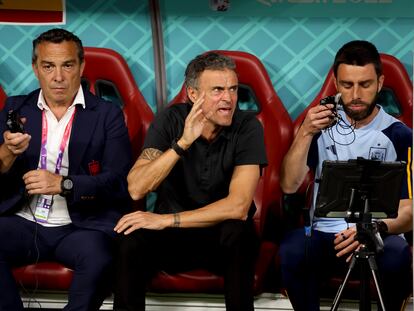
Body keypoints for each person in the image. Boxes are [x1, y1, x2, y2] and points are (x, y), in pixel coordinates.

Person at [113, 52, 267, 311]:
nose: (228, 99)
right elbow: (137, 187)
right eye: (217, 90)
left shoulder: (248, 127)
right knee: (130, 237)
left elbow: (238, 207)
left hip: (221, 238)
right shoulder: (170, 120)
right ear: (193, 95)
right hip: (173, 240)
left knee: (239, 233)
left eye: (233, 89)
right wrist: (183, 142)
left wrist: (164, 220)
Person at [0, 28, 131, 311]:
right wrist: (7, 152)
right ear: (36, 68)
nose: (58, 77)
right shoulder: (15, 108)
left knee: (99, 258)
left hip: (81, 226)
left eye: (67, 65)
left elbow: (119, 182)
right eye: (48, 66)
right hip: (23, 220)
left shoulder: (107, 114)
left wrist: (64, 183)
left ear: (81, 67)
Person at [279, 40, 412, 311]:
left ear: (380, 82)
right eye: (347, 85)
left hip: (378, 234)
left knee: (398, 258)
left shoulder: (399, 135)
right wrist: (304, 132)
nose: (355, 94)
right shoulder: (318, 126)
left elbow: (410, 209)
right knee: (292, 251)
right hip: (325, 234)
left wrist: (374, 229)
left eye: (365, 84)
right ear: (336, 84)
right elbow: (289, 185)